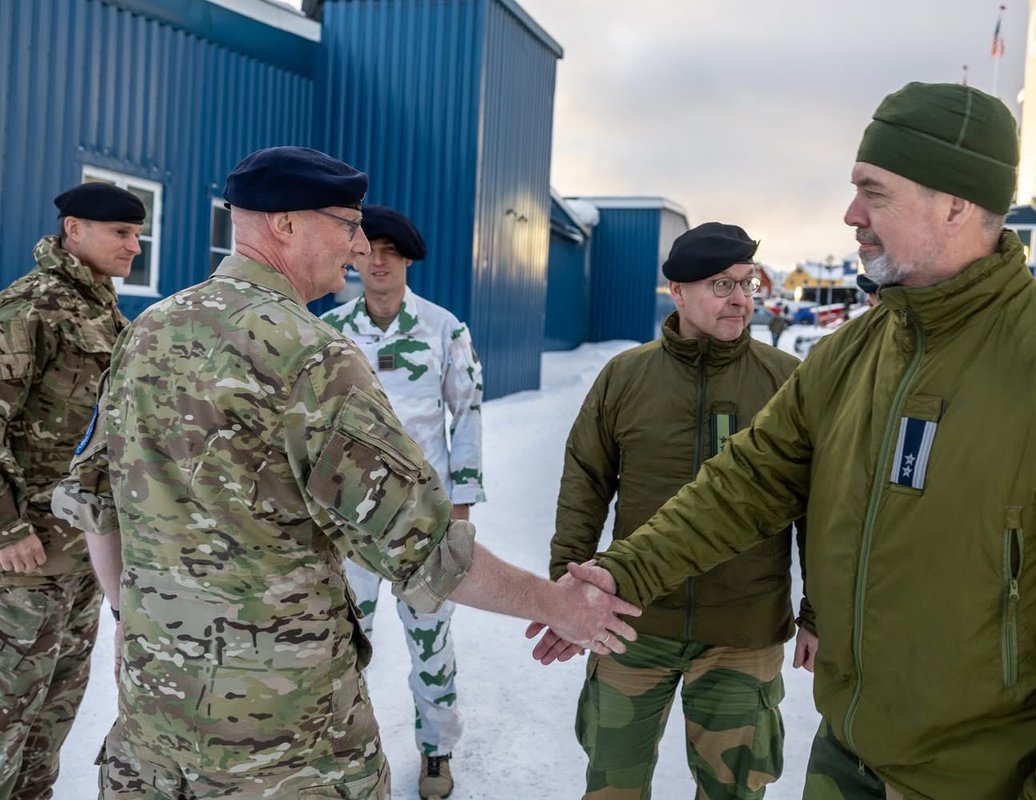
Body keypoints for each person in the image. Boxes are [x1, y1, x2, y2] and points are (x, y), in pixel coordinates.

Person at [536, 83, 1036, 799]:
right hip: (846, 758)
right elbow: (744, 485)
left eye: (873, 193)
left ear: (956, 203)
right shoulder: (849, 357)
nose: (851, 214)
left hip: (990, 781)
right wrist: (623, 573)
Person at [51, 146, 639, 800]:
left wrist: (128, 616)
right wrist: (559, 605)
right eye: (349, 224)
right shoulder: (311, 355)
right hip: (282, 747)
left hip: (154, 726)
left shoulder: (147, 330)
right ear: (286, 225)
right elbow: (427, 551)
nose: (360, 246)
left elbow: (94, 501)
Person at [540, 222, 812, 799]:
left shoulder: (786, 382)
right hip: (633, 623)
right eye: (721, 284)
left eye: (747, 282)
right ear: (678, 292)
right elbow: (585, 482)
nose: (740, 299)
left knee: (733, 791)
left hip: (743, 629)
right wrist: (567, 589)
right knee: (612, 786)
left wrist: (819, 611)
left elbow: (815, 504)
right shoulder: (626, 376)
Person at [321, 204, 484, 799]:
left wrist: (461, 510)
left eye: (392, 251)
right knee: (343, 639)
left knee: (430, 641)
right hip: (350, 518)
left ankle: (436, 751)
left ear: (408, 260)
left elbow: (467, 415)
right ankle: (343, 750)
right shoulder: (330, 330)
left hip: (423, 518)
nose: (379, 261)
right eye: (369, 250)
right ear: (354, 256)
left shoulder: (444, 329)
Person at [0, 182, 144, 798]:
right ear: (74, 230)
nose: (134, 246)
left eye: (138, 235)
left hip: (82, 554)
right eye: (121, 233)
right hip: (24, 561)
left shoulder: (106, 312)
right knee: (7, 718)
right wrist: (6, 529)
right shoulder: (29, 307)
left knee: (51, 720)